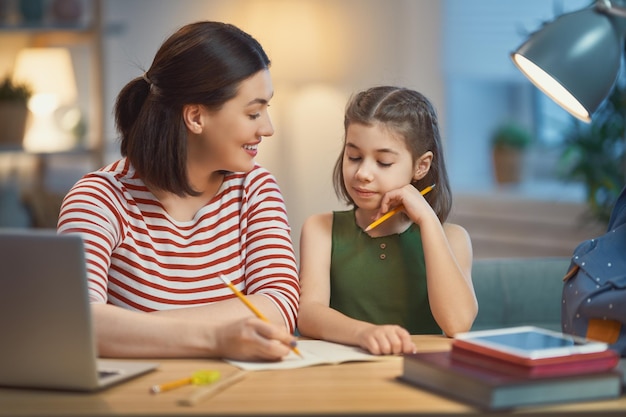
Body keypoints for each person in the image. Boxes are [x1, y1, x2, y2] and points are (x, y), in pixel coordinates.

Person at [57, 21, 300, 361]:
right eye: (253, 113)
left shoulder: (255, 189)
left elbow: (280, 306)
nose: (267, 128)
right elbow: (77, 323)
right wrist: (217, 338)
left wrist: (131, 330)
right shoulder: (99, 198)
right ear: (196, 117)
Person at [297, 86, 477, 355]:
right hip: (345, 374)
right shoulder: (320, 228)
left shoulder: (452, 238)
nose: (363, 173)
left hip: (422, 373)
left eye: (383, 162)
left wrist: (428, 220)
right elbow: (308, 314)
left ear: (421, 166)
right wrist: (364, 333)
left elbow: (457, 324)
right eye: (354, 157)